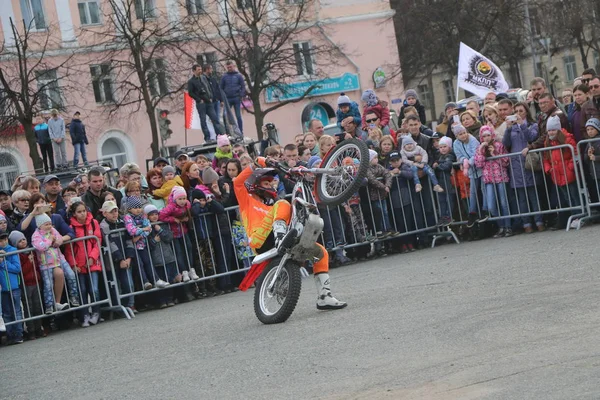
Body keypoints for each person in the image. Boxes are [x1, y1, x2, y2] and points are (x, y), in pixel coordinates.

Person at [234, 159, 347, 310]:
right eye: (266, 183)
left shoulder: (273, 207)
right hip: (259, 241)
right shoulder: (247, 200)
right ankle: (281, 237)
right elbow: (237, 183)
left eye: (272, 183)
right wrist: (257, 163)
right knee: (283, 203)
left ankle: (324, 297)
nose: (271, 186)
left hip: (276, 239)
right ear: (254, 184)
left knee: (321, 253)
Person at [502, 102, 544, 233]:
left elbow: (531, 137)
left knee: (533, 195)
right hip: (516, 165)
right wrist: (508, 129)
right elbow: (505, 143)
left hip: (529, 163)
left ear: (526, 111)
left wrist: (522, 125)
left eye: (521, 111)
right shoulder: (512, 128)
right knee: (522, 198)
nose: (518, 113)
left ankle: (539, 221)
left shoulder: (533, 125)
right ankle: (527, 224)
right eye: (516, 111)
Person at [31, 213, 80, 313]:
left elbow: (60, 238)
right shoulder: (36, 235)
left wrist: (58, 241)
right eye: (46, 224)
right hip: (46, 264)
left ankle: (73, 297)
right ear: (40, 225)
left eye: (50, 224)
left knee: (71, 275)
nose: (49, 226)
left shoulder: (53, 231)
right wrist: (49, 241)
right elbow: (40, 247)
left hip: (59, 259)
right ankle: (49, 305)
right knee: (48, 285)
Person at [64, 201, 103, 327]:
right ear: (74, 214)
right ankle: (85, 315)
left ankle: (96, 312)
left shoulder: (93, 222)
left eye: (84, 211)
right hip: (79, 264)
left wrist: (92, 256)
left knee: (94, 289)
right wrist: (73, 264)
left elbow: (97, 241)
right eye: (79, 212)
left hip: (92, 262)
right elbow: (69, 249)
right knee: (82, 290)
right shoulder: (71, 228)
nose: (82, 214)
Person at [542, 115, 580, 230]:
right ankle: (574, 216)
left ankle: (578, 216)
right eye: (549, 130)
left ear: (558, 129)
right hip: (557, 175)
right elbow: (546, 158)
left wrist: (570, 167)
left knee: (574, 196)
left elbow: (574, 153)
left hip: (568, 173)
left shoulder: (567, 138)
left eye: (553, 129)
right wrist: (548, 169)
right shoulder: (547, 142)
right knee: (567, 197)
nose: (551, 132)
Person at [474, 128, 512, 238]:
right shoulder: (480, 147)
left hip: (500, 176)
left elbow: (506, 161)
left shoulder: (499, 145)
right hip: (488, 179)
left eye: (488, 135)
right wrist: (481, 150)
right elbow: (478, 164)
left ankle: (508, 227)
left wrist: (494, 153)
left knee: (504, 203)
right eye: (484, 136)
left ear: (492, 135)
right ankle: (501, 226)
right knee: (491, 206)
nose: (486, 138)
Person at [99, 200, 136, 311]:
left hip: (125, 258)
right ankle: (118, 307)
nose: (115, 213)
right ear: (105, 213)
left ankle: (130, 304)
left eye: (116, 211)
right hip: (112, 260)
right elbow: (110, 243)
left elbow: (129, 240)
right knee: (116, 285)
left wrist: (129, 257)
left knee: (128, 283)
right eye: (111, 212)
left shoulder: (122, 222)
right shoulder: (103, 226)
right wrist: (120, 259)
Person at [158, 186, 199, 282]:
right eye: (180, 199)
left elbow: (189, 212)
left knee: (189, 248)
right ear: (175, 199)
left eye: (184, 198)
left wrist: (186, 218)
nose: (182, 201)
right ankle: (184, 271)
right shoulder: (170, 207)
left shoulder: (187, 204)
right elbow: (161, 216)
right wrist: (173, 219)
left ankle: (191, 269)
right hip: (174, 233)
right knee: (179, 253)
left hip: (183, 231)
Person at [9, 231, 44, 339]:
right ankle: (31, 330)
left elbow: (37, 266)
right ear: (15, 244)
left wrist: (39, 276)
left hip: (35, 282)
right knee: (29, 307)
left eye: (23, 239)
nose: (23, 242)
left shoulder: (31, 251)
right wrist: (29, 262)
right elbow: (22, 271)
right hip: (26, 284)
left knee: (37, 306)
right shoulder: (18, 255)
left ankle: (39, 328)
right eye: (20, 241)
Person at [453, 124, 486, 228]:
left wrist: (468, 163)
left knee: (483, 189)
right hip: (471, 171)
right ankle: (472, 213)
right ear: (456, 136)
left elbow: (476, 153)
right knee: (472, 192)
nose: (463, 135)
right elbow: (459, 155)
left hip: (480, 168)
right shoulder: (456, 143)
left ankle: (485, 210)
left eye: (464, 133)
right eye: (460, 134)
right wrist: (464, 161)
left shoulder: (472, 140)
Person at [145, 204, 176, 308]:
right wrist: (154, 240)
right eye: (151, 215)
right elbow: (147, 245)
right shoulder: (147, 228)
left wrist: (160, 230)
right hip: (156, 260)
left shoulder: (162, 225)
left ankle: (170, 298)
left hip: (168, 257)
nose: (154, 217)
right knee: (160, 280)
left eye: (155, 214)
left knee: (169, 278)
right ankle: (162, 300)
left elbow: (169, 238)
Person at [188, 64, 223, 143]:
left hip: (209, 102)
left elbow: (208, 87)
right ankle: (207, 137)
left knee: (215, 119)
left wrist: (210, 96)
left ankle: (220, 135)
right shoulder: (191, 82)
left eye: (200, 69)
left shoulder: (203, 78)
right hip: (201, 104)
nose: (200, 71)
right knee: (203, 121)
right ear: (194, 71)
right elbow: (190, 93)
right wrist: (198, 99)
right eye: (198, 70)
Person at [0, 230, 23, 345]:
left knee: (16, 311)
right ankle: (10, 335)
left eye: (5, 239)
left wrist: (3, 262)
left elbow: (17, 268)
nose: (3, 242)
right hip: (3, 288)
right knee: (7, 313)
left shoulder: (12, 250)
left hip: (14, 287)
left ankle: (18, 334)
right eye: (1, 240)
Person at [366, 149, 394, 239]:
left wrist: (388, 185)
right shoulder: (366, 169)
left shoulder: (379, 166)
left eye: (377, 157)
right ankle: (382, 229)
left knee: (385, 212)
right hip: (374, 196)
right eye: (374, 158)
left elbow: (387, 174)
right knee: (379, 213)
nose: (376, 159)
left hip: (382, 195)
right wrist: (383, 186)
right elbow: (372, 180)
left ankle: (388, 228)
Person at [433, 137, 456, 226]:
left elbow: (447, 166)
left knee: (449, 200)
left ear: (449, 147)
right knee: (441, 200)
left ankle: (449, 216)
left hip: (449, 183)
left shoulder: (449, 156)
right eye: (441, 147)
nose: (442, 149)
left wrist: (437, 166)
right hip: (441, 182)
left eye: (444, 146)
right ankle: (443, 217)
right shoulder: (440, 157)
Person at [220, 60, 246, 134]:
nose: (229, 68)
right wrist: (222, 99)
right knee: (225, 115)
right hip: (227, 99)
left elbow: (243, 86)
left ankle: (240, 131)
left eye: (230, 67)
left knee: (238, 116)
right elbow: (221, 88)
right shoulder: (224, 77)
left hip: (236, 98)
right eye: (228, 67)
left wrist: (241, 95)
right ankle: (227, 131)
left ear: (233, 66)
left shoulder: (238, 76)